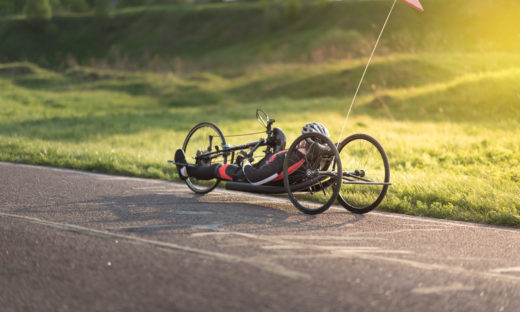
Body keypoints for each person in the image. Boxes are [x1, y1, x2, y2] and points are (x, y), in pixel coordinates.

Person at [175, 122, 330, 186]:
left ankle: (185, 171)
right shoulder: (304, 160)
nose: (300, 142)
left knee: (218, 168)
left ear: (306, 144)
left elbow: (255, 178)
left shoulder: (288, 159)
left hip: (247, 175)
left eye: (303, 141)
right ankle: (200, 166)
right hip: (274, 171)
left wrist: (244, 161)